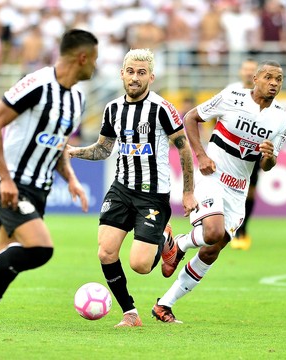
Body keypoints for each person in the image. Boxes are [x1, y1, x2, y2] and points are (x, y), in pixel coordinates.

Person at [0, 29, 97, 359]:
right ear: (81, 58)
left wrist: (70, 179)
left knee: (2, 278)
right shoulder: (36, 84)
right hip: (8, 183)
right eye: (94, 58)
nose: (96, 65)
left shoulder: (77, 98)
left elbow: (56, 145)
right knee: (41, 249)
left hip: (38, 189)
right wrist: (7, 180)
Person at [68, 48, 197, 328]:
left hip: (153, 194)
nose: (135, 78)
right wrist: (73, 151)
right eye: (130, 72)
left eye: (141, 73)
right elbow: (103, 149)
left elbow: (183, 148)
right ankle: (130, 313)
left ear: (151, 76)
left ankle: (166, 242)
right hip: (121, 189)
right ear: (122, 74)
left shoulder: (162, 109)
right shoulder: (113, 108)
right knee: (105, 251)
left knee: (140, 265)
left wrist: (188, 191)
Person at [152, 60, 286, 323]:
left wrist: (270, 157)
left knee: (212, 250)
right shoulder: (231, 98)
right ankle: (178, 244)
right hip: (212, 175)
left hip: (239, 187)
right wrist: (201, 155)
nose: (274, 83)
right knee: (212, 232)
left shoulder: (282, 117)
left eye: (279, 79)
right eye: (269, 77)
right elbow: (191, 117)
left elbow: (268, 165)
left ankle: (164, 305)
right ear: (256, 79)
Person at [225, 58, 259, 251]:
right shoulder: (232, 91)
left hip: (253, 151)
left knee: (250, 192)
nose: (248, 73)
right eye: (245, 69)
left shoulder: (264, 95)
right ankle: (233, 229)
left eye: (252, 70)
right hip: (232, 150)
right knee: (231, 191)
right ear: (241, 72)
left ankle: (243, 229)